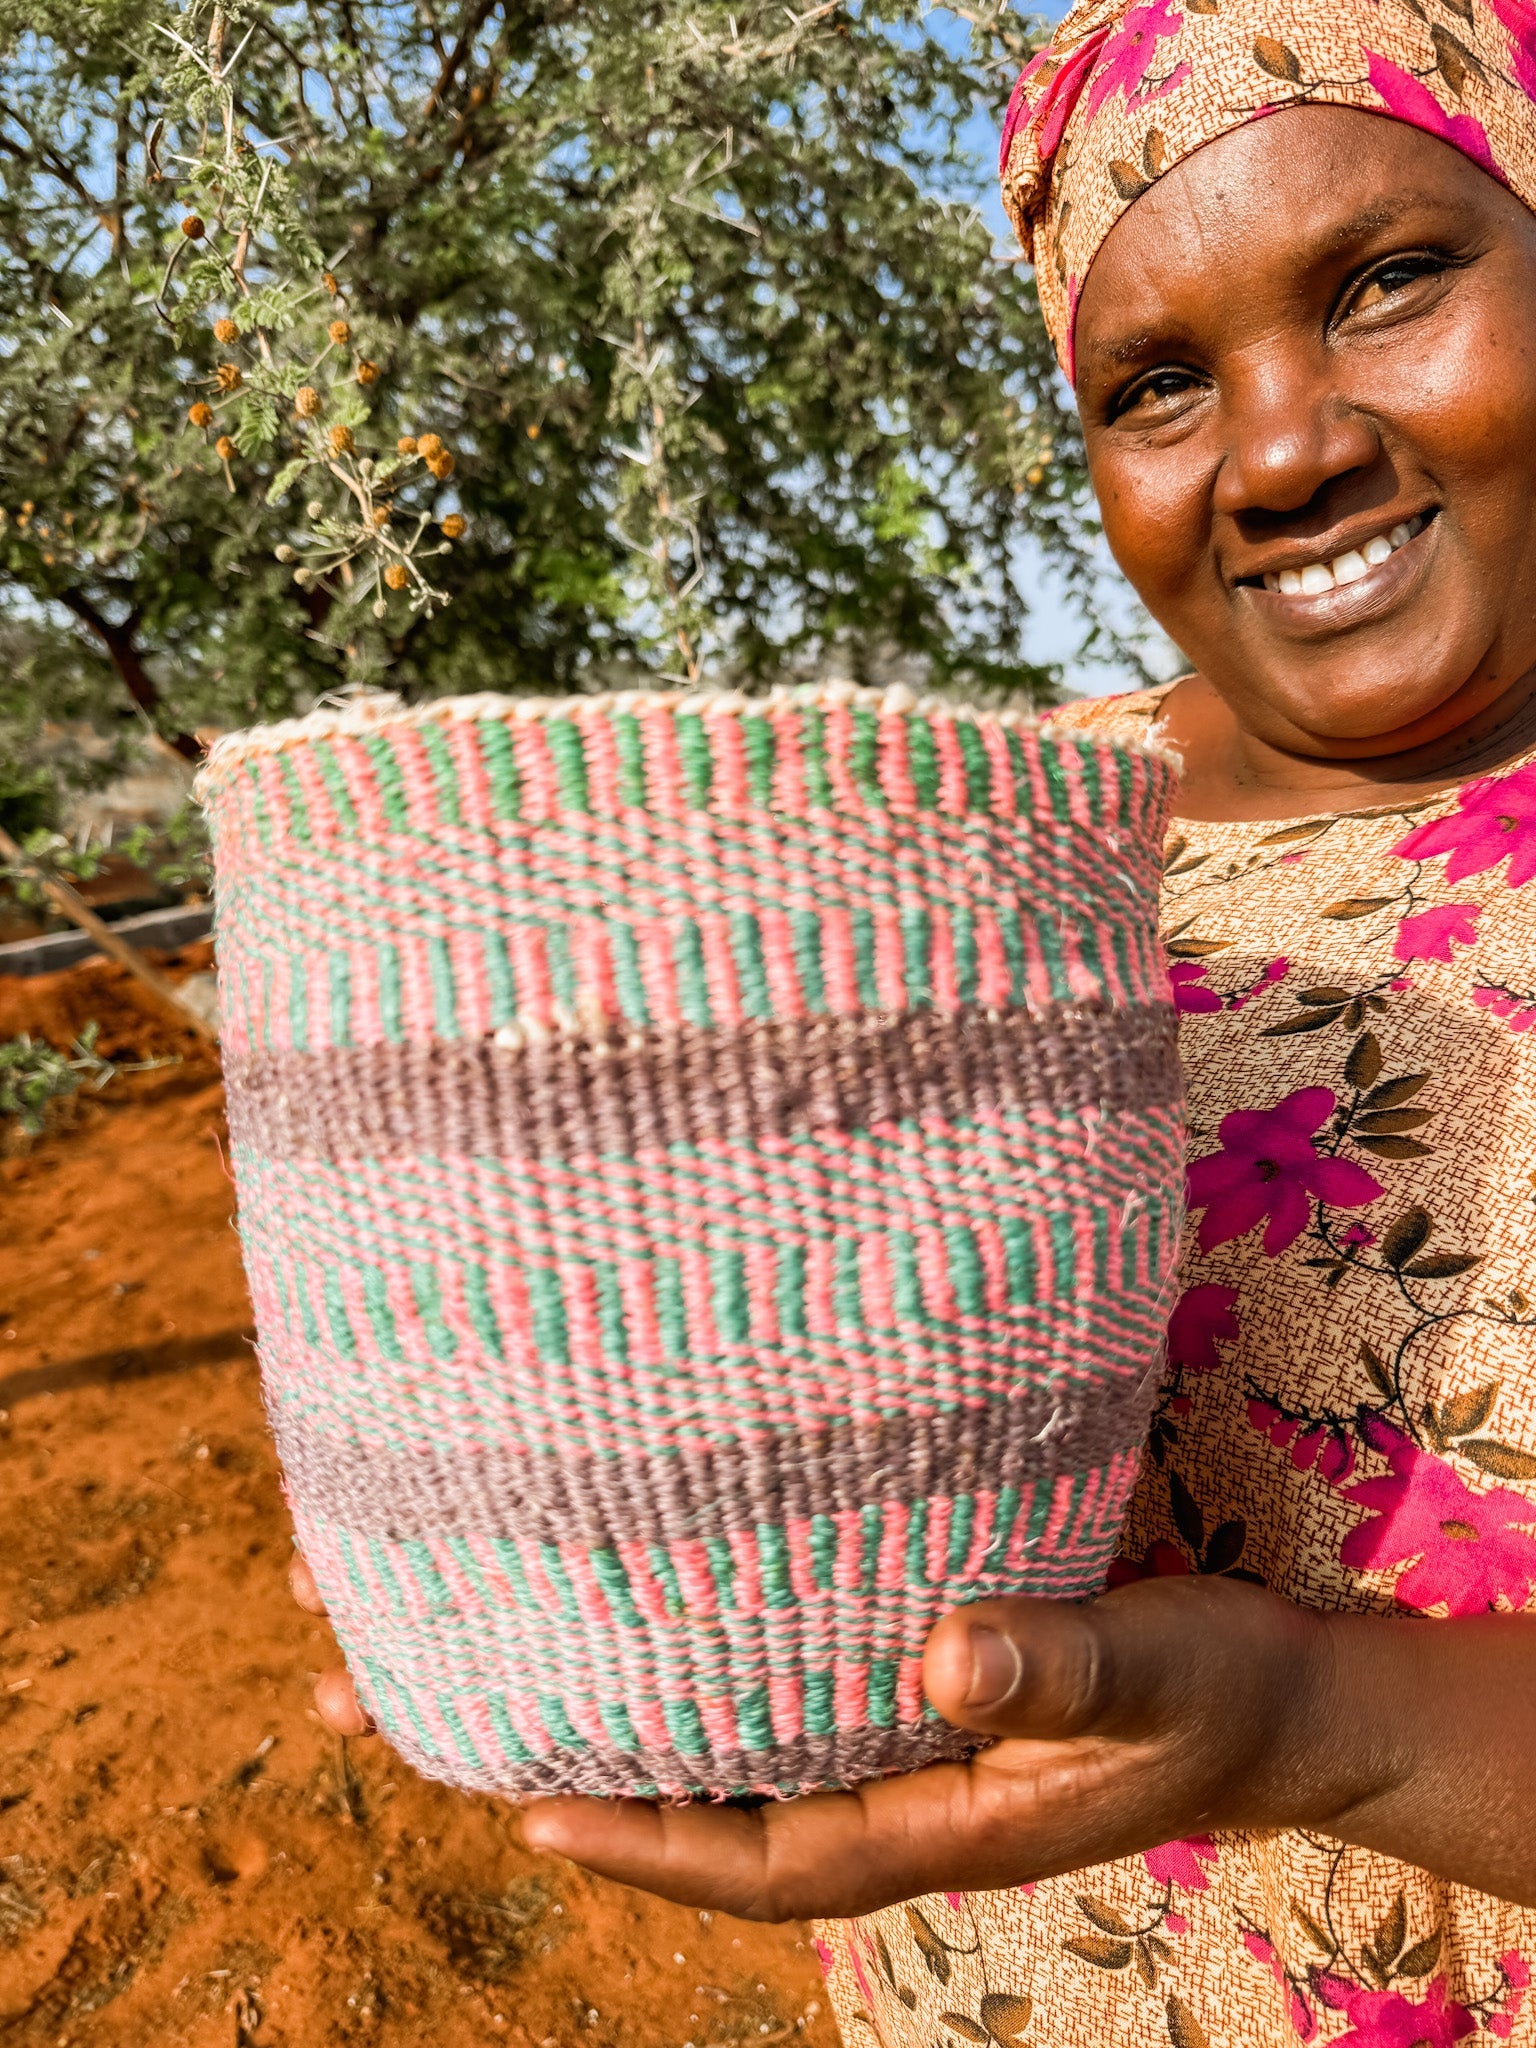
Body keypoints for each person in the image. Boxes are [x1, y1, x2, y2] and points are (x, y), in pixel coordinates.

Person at [296, 0, 1536, 2034]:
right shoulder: (973, 841)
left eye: (1388, 282)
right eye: (1156, 382)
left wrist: (1323, 1722)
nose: (1286, 447)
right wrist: (532, 1482)